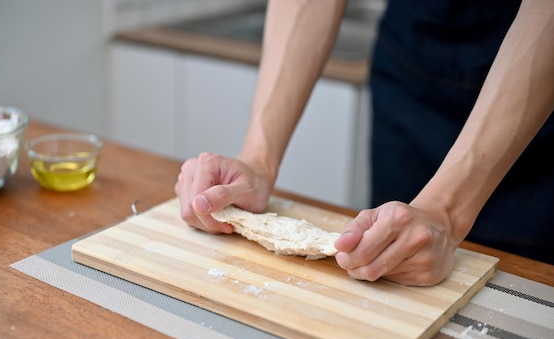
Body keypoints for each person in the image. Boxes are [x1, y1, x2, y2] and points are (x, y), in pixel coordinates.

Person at [174, 0, 554, 286]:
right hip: (413, 62)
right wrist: (258, 159)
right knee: (387, 258)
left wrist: (447, 213)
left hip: (536, 106)